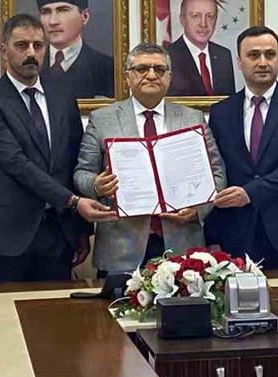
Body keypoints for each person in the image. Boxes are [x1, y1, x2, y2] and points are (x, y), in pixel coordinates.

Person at [0, 14, 117, 282]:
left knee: (56, 308)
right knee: (6, 308)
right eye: (21, 45)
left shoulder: (63, 95)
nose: (31, 53)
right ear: (4, 50)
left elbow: (73, 159)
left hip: (58, 232)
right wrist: (74, 203)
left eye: (38, 45)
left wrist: (81, 230)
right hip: (10, 236)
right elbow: (17, 164)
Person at [74, 42, 226, 274]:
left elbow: (217, 173)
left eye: (160, 69)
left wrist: (199, 210)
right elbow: (82, 173)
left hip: (182, 245)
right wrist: (96, 184)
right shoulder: (102, 119)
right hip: (121, 247)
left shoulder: (192, 118)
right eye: (142, 69)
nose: (152, 75)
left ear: (170, 77)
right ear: (128, 77)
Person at [205, 26, 278, 268]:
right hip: (234, 232)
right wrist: (212, 234)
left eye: (270, 54)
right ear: (239, 62)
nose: (263, 62)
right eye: (253, 55)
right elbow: (215, 170)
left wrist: (250, 192)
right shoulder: (221, 112)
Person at [34, 0, 115, 98]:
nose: (53, 21)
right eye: (46, 12)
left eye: (63, 10)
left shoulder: (108, 69)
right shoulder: (31, 66)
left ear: (84, 16)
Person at [168, 0, 236, 96]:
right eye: (196, 16)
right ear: (182, 20)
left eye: (210, 16)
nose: (203, 24)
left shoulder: (223, 55)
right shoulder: (168, 56)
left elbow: (229, 99)